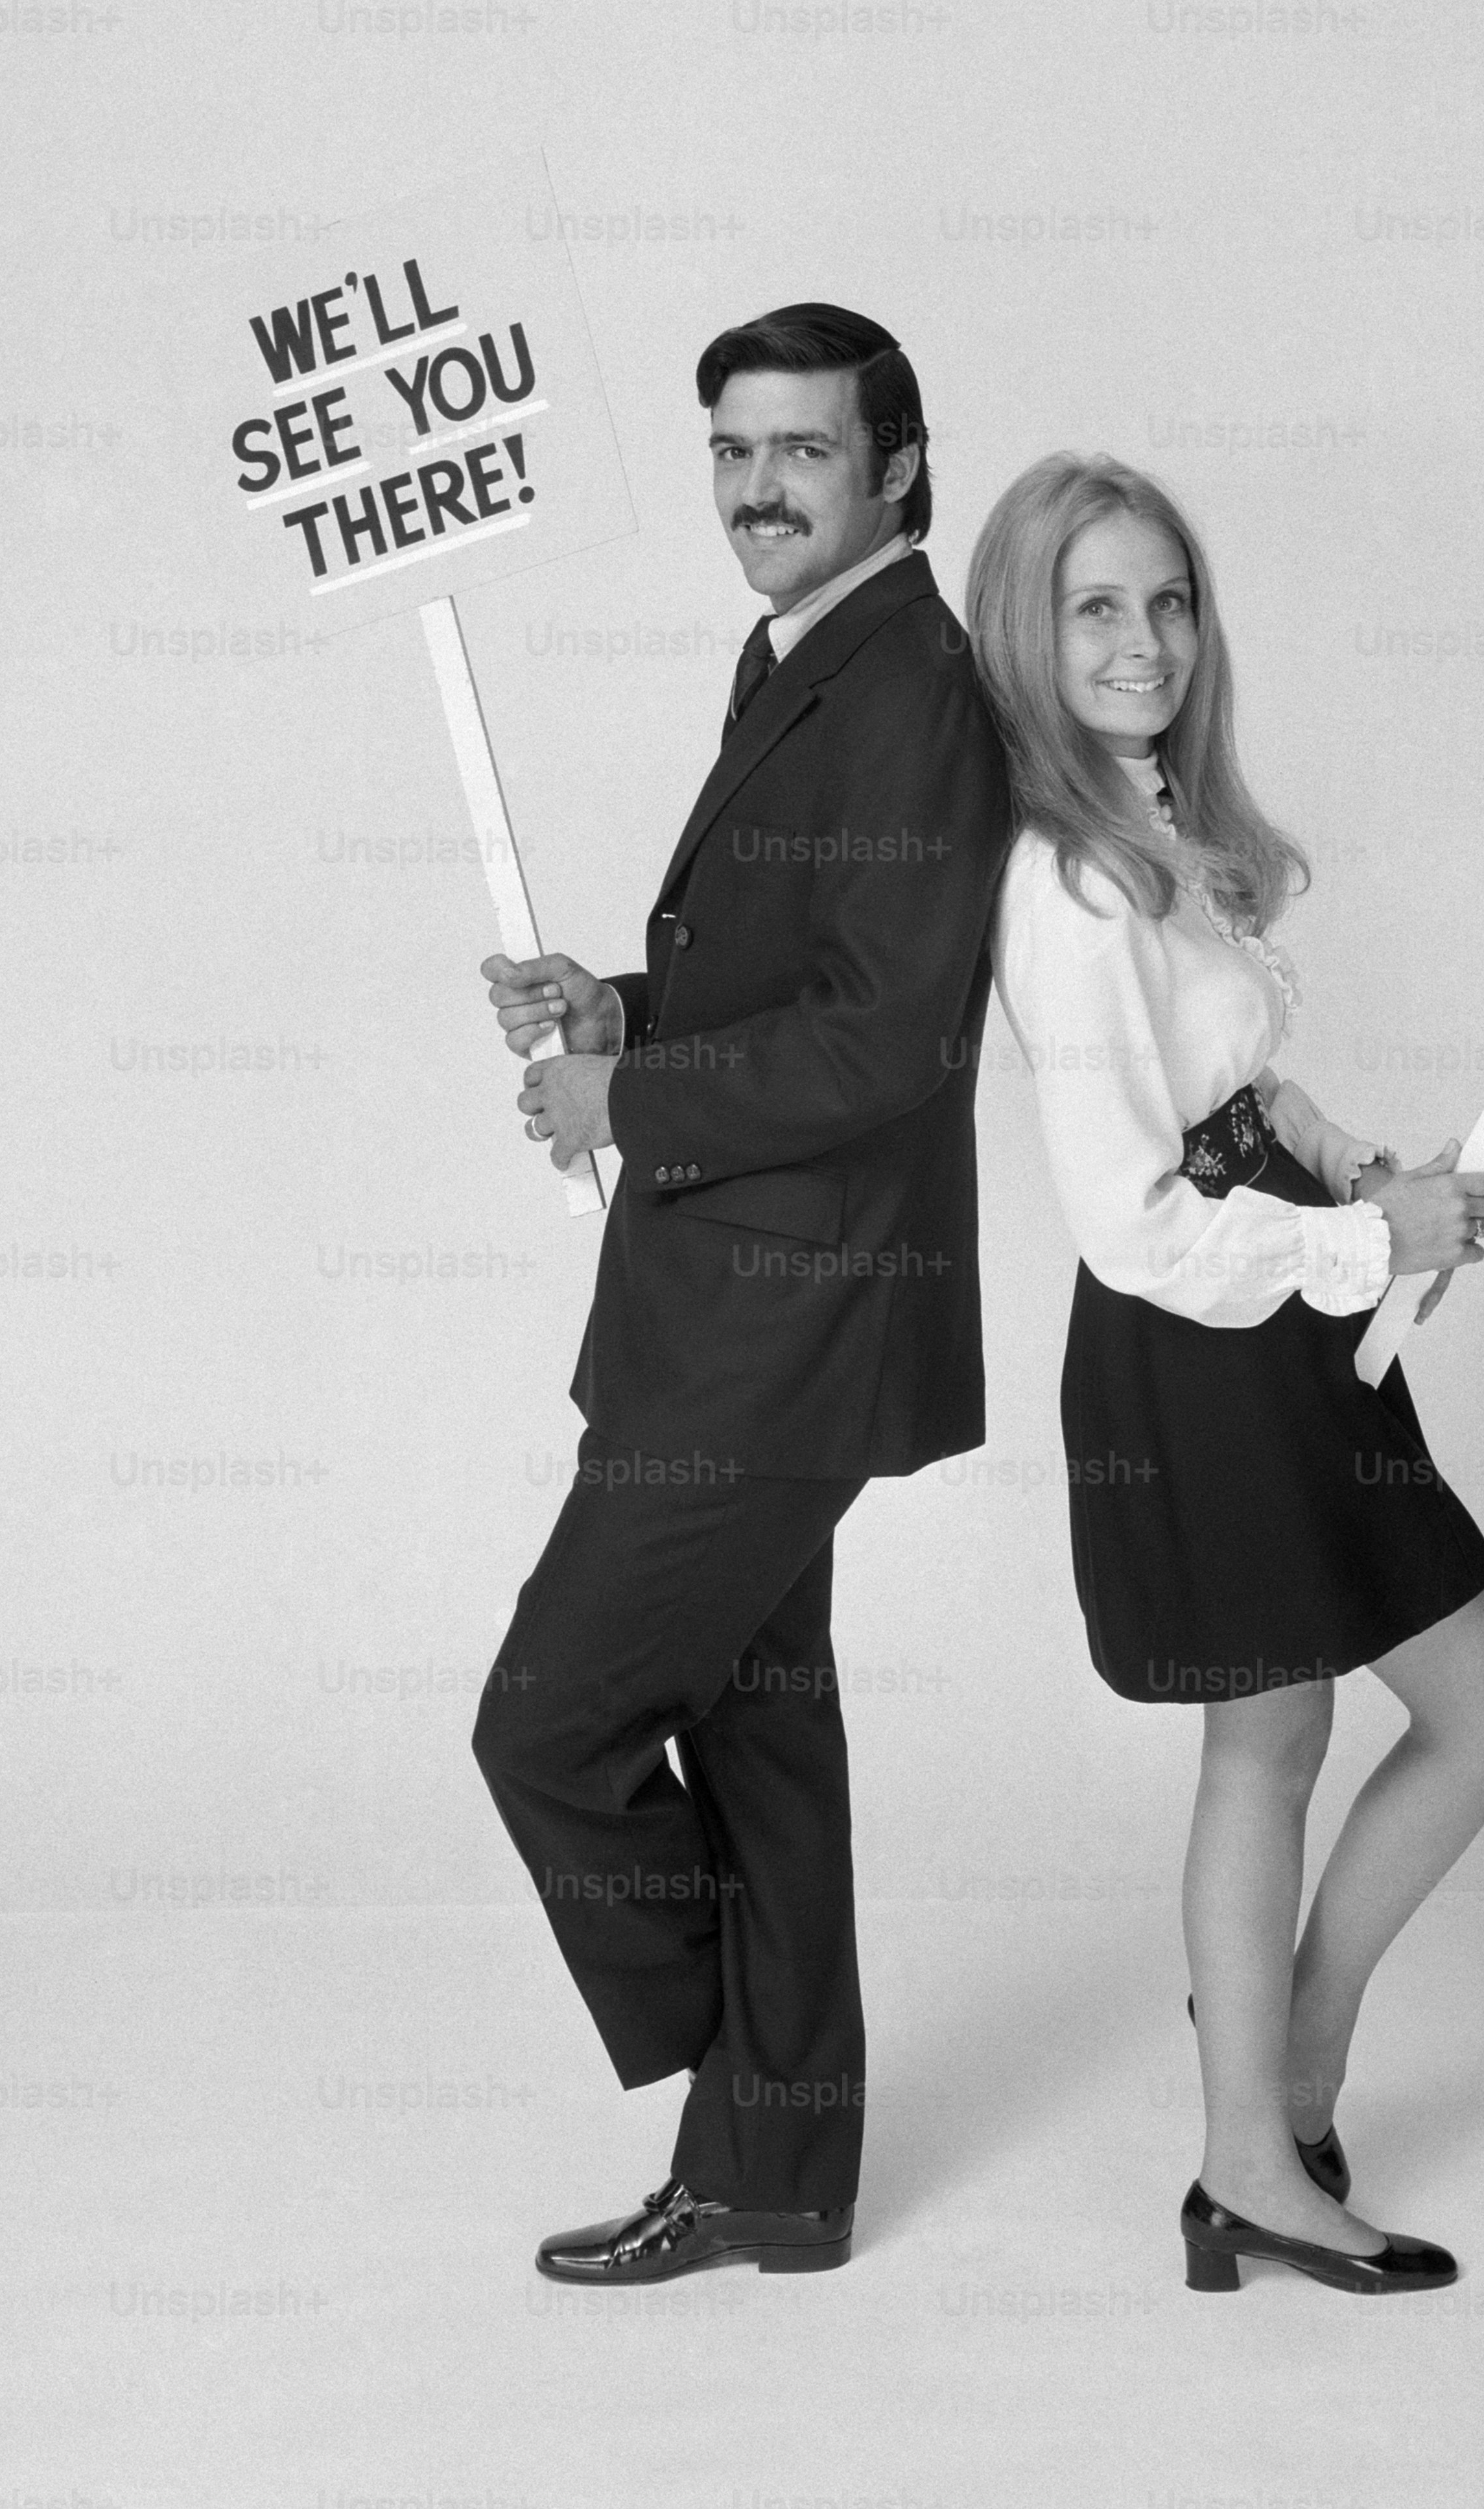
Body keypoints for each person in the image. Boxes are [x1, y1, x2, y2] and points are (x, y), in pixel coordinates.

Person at [968, 453, 1484, 2297]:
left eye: (1169, 600)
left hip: (1292, 1301)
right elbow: (1133, 1226)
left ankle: (1279, 2064)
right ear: (1026, 637)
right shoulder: (1063, 883)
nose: (1145, 640)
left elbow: (1240, 1100)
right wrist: (1356, 1247)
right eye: (1097, 607)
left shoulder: (1157, 831)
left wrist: (1378, 1191)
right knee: (1274, 1736)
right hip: (1199, 1346)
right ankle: (1253, 2152)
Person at [471, 306, 1009, 2286]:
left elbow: (891, 1043)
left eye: (800, 451)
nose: (758, 489)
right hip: (728, 1308)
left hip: (789, 1328)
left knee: (549, 1721)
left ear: (897, 466)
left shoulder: (919, 692)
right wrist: (624, 1003)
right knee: (764, 1743)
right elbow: (798, 970)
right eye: (729, 450)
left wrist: (635, 1095)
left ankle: (744, 2087)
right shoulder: (807, 652)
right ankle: (776, 2180)